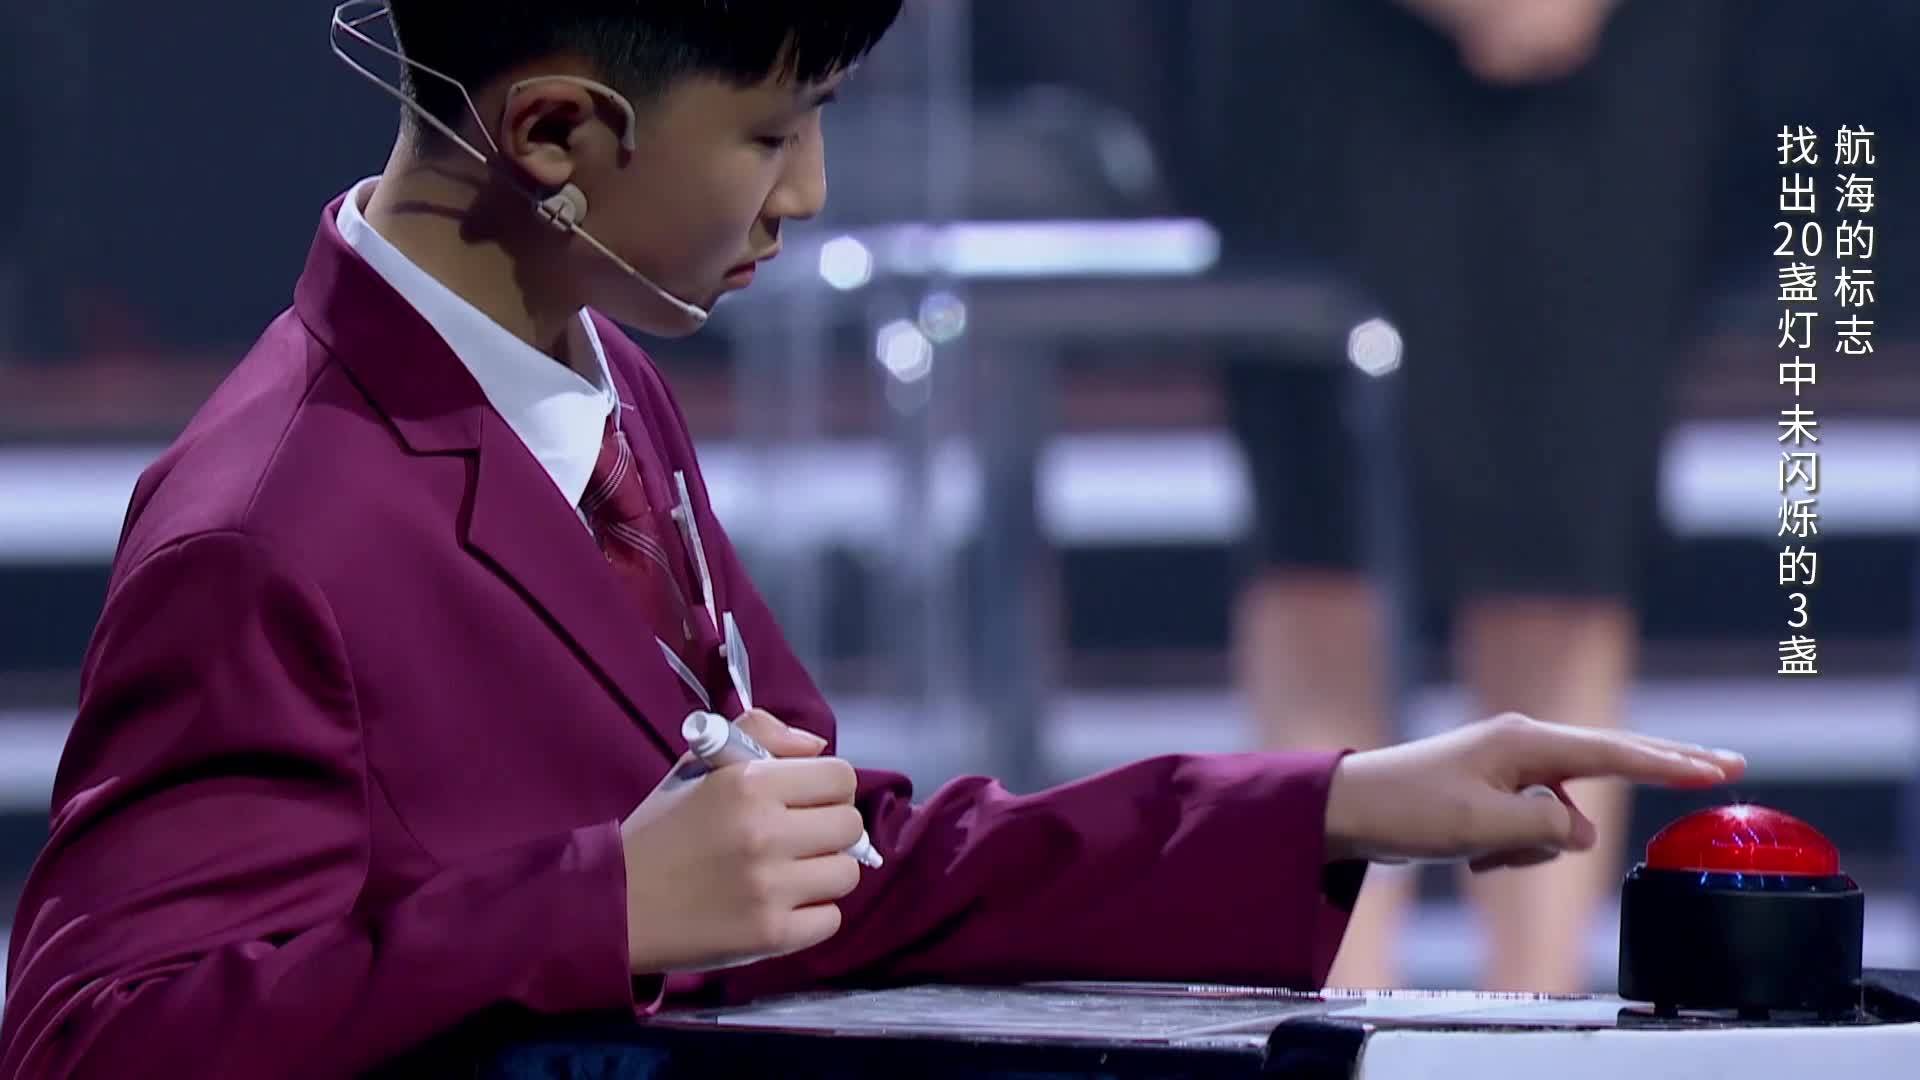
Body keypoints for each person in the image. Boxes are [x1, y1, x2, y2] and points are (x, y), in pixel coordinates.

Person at [0, 3, 1745, 1075]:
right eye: (774, 128)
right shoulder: (267, 527)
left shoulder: (597, 371)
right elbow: (89, 1040)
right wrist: (603, 906)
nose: (811, 191)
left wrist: (1336, 801)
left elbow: (837, 864)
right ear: (553, 132)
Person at [1217, 0, 1728, 990]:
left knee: (1560, 556)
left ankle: (1538, 1018)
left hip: (1608, 86)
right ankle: (1334, 1014)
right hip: (1332, 77)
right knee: (1325, 552)